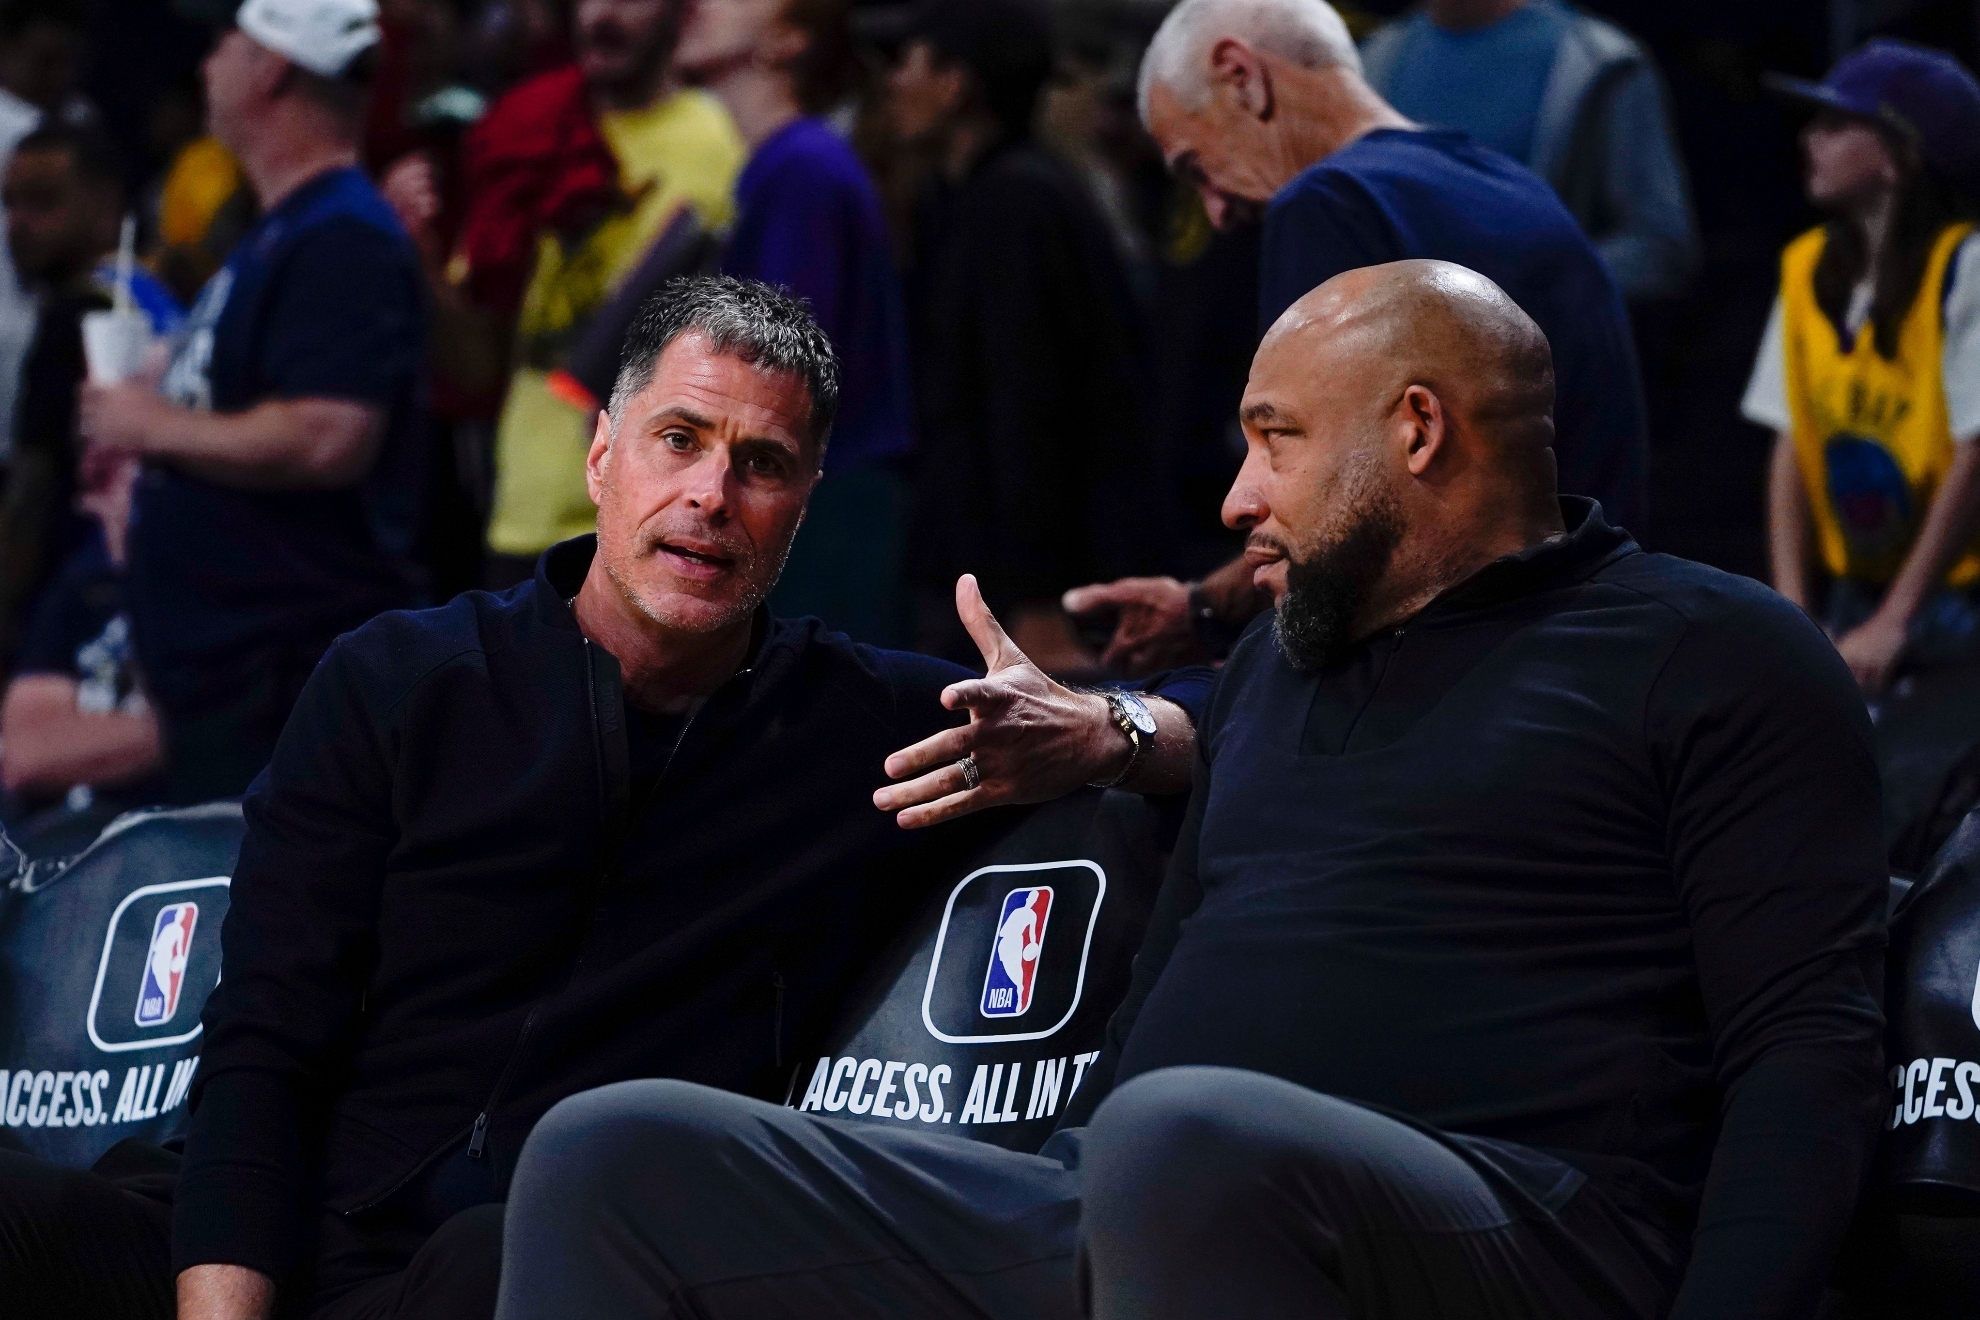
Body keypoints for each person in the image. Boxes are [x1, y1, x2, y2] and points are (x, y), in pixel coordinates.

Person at [490, 261, 1886, 1320]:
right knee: (616, 1151)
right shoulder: (1283, 670)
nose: (1235, 495)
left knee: (1179, 1141)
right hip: (1133, 1193)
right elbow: (1158, 995)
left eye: (1274, 437)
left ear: (1415, 430)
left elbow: (1803, 1056)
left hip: (1521, 1225)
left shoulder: (1716, 654)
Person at [0, 276, 1203, 1320]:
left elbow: (1227, 718)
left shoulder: (871, 728)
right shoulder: (398, 680)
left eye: (763, 465)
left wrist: (1110, 729)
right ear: (600, 456)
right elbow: (264, 1046)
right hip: (265, 1233)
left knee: (500, 1254)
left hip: (523, 1263)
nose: (711, 494)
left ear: (803, 508)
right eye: (679, 439)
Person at [1065, 0, 1647, 677]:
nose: (1218, 212)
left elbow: (1324, 519)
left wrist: (1205, 620)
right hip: (1596, 634)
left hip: (1455, 669)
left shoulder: (1330, 204)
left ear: (1241, 77)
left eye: (1197, 167)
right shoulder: (1512, 185)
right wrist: (1205, 605)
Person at [76, 0, 428, 806]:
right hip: (233, 683)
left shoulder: (343, 234)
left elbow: (330, 436)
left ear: (271, 67)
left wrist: (151, 425)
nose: (207, 65)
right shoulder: (286, 230)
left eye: (225, 43)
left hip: (286, 685)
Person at [886, 0, 1153, 673]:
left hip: (1021, 602)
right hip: (987, 576)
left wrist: (1035, 599)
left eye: (908, 62)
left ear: (956, 83)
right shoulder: (969, 199)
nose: (892, 82)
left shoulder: (1015, 207)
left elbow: (1030, 407)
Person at [467, 0, 746, 587]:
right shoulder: (529, 130)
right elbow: (474, 353)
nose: (603, 14)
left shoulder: (718, 146)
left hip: (646, 521)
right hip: (519, 509)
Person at [673, 0, 917, 645]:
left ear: (788, 39)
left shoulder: (800, 170)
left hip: (823, 516)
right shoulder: (791, 164)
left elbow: (770, 373)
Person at [1742, 40, 1980, 696]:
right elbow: (1790, 438)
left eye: (1839, 124)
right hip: (1856, 587)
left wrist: (1897, 618)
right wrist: (1791, 606)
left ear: (1904, 156)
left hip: (1954, 593)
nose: (1812, 139)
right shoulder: (1808, 266)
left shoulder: (1964, 267)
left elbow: (1976, 451)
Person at [1359, 0, 1698, 304]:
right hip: (1390, 355)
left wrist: (1529, 290)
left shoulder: (1597, 61)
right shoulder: (1374, 60)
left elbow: (1660, 245)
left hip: (1543, 359)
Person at [0, 124, 181, 666]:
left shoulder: (78, 316)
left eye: (43, 202)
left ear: (105, 202)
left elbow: (34, 484)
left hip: (90, 576)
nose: (17, 225)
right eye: (10, 205)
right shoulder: (161, 297)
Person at [0, 447, 164, 846]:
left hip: (168, 843)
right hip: (53, 845)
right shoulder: (83, 592)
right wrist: (183, 732)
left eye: (109, 481)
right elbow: (27, 756)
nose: (88, 503)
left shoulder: (235, 601)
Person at [0, 0, 90, 462]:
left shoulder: (75, 120)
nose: (55, 75)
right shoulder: (24, 126)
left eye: (65, 61)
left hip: (44, 332)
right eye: (42, 60)